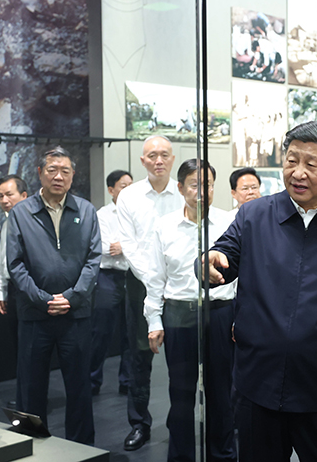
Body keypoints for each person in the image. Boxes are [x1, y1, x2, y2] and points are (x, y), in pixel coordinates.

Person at [207, 121, 317, 461]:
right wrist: (209, 260)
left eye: (311, 164)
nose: (298, 173)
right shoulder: (253, 216)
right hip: (258, 387)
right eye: (291, 161)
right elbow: (223, 255)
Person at [7, 146, 101, 445]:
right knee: (30, 387)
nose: (58, 176)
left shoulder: (86, 211)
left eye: (65, 171)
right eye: (52, 170)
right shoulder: (21, 212)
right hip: (35, 315)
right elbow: (15, 264)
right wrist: (42, 299)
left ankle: (81, 447)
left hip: (76, 314)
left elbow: (93, 260)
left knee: (79, 386)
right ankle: (30, 445)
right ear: (40, 173)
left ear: (73, 176)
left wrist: (72, 297)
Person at [146, 160, 237, 462]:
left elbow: (243, 277)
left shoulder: (229, 223)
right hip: (179, 314)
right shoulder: (164, 226)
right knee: (181, 393)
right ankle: (180, 456)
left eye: (208, 185)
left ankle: (222, 455)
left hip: (220, 313)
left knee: (221, 392)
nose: (202, 191)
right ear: (180, 187)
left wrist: (240, 318)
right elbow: (155, 278)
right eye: (195, 185)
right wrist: (154, 320)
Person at [117, 135, 184, 451]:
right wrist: (154, 280)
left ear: (173, 159)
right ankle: (139, 424)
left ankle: (179, 423)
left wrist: (170, 281)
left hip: (180, 286)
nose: (159, 160)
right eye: (152, 155)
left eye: (164, 155)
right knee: (139, 358)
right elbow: (129, 245)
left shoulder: (184, 192)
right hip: (140, 285)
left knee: (180, 360)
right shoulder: (129, 196)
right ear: (142, 160)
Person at [90, 170, 133, 397]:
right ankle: (92, 381)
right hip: (107, 276)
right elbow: (104, 247)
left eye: (131, 185)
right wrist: (128, 247)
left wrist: (123, 247)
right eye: (123, 186)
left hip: (133, 276)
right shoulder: (102, 215)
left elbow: (144, 244)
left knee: (130, 333)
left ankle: (127, 381)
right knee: (101, 332)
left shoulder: (138, 213)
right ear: (111, 190)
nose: (129, 189)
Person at [0, 174, 28, 409]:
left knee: (29, 347)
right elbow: (2, 260)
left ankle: (30, 398)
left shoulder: (32, 222)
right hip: (13, 290)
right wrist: (1, 291)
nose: (4, 200)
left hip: (28, 290)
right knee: (19, 345)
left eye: (9, 195)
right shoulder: (8, 222)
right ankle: (25, 396)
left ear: (23, 195)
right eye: (1, 196)